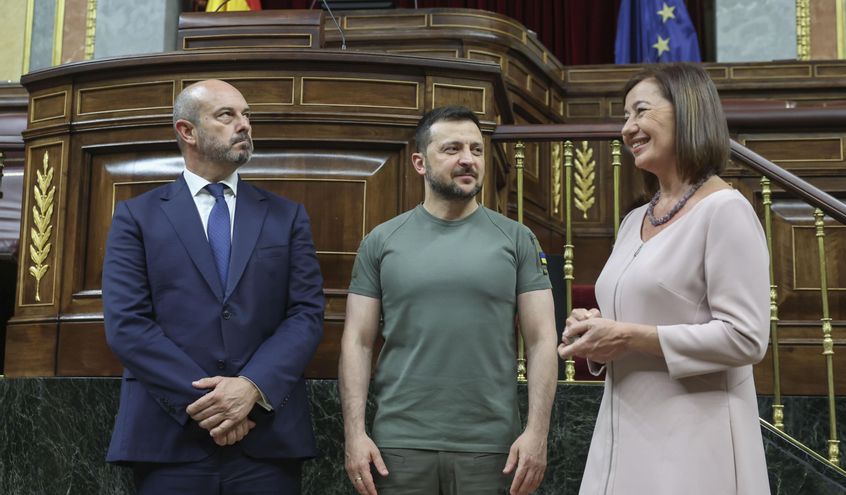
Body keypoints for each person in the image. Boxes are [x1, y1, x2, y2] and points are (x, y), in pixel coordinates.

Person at [102, 79, 325, 494]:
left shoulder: (286, 217)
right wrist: (216, 405)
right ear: (187, 131)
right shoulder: (137, 217)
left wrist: (250, 388)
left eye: (246, 115)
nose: (244, 125)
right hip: (169, 439)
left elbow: (306, 315)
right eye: (227, 115)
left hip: (267, 439)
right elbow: (128, 325)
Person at [558, 63, 771, 495]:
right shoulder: (634, 218)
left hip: (694, 440)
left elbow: (747, 338)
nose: (627, 128)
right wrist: (594, 330)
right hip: (622, 430)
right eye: (624, 117)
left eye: (640, 112)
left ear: (687, 112)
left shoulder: (726, 210)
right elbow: (633, 318)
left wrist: (629, 336)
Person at [339, 106, 558, 495]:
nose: (468, 159)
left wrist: (537, 433)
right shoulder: (381, 240)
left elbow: (542, 339)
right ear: (420, 162)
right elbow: (357, 341)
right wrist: (355, 435)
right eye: (453, 149)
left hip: (494, 448)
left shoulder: (517, 239)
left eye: (476, 149)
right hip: (399, 447)